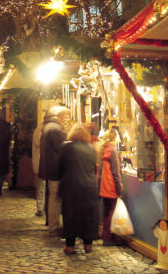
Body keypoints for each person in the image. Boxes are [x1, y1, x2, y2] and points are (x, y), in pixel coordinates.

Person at [58, 123, 99, 255]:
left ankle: (70, 246)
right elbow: (94, 167)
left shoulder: (67, 147)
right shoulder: (92, 148)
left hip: (72, 186)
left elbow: (60, 166)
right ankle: (88, 245)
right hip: (90, 185)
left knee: (71, 215)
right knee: (88, 215)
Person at [39, 105, 70, 236]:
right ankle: (54, 226)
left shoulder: (48, 127)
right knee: (55, 198)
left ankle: (53, 224)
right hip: (56, 169)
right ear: (59, 116)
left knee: (53, 197)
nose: (66, 119)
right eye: (65, 116)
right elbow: (62, 149)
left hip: (51, 168)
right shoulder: (54, 129)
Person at [97, 128, 123, 246]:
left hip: (104, 186)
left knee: (106, 212)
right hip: (111, 185)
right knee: (112, 212)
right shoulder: (112, 151)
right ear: (114, 137)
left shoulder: (104, 150)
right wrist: (119, 188)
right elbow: (116, 171)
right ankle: (109, 238)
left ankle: (106, 236)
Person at [31, 111, 48, 217]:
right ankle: (41, 208)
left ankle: (42, 208)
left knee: (42, 187)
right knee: (41, 186)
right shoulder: (40, 130)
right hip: (41, 162)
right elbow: (38, 142)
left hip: (42, 162)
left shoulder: (43, 129)